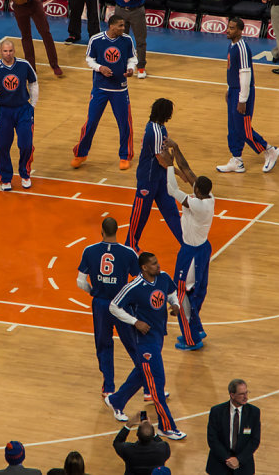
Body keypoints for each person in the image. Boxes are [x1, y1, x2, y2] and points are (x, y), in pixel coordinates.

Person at [106, 252, 185, 440]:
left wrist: (175, 305)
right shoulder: (133, 287)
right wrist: (135, 322)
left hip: (158, 336)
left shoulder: (163, 277)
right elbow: (113, 306)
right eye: (154, 264)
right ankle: (166, 426)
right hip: (145, 342)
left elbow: (172, 293)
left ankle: (116, 400)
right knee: (157, 383)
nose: (158, 266)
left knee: (143, 373)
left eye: (157, 262)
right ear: (144, 267)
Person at [77, 217, 139, 396]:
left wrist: (93, 291)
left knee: (104, 345)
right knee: (133, 345)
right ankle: (148, 386)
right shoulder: (128, 253)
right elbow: (137, 280)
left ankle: (109, 387)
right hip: (121, 304)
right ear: (117, 230)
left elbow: (80, 282)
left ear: (101, 231)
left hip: (101, 304)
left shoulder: (89, 251)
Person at [162, 141, 212, 350]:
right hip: (201, 248)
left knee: (181, 295)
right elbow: (188, 169)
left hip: (192, 253)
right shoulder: (208, 195)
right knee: (194, 292)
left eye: (194, 187)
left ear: (197, 191)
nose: (191, 185)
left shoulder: (198, 205)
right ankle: (196, 328)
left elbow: (171, 189)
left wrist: (169, 165)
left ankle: (192, 340)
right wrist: (176, 147)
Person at [216, 18, 279, 174]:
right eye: (228, 27)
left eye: (232, 28)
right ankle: (237, 160)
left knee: (242, 129)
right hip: (234, 90)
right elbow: (232, 71)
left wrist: (242, 99)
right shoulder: (231, 45)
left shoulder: (242, 48)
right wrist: (229, 89)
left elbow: (246, 74)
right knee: (232, 127)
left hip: (242, 93)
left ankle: (269, 150)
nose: (228, 30)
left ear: (240, 31)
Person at [72, 15, 137, 170]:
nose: (123, 28)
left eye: (123, 25)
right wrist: (100, 68)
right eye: (120, 26)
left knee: (125, 124)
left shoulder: (127, 40)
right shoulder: (96, 39)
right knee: (91, 122)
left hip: (120, 89)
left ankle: (125, 156)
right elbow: (89, 59)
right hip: (100, 88)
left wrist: (131, 69)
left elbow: (132, 59)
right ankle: (81, 153)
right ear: (112, 26)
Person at [125, 98, 184, 251]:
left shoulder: (159, 128)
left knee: (171, 211)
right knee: (140, 213)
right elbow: (161, 159)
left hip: (160, 177)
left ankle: (186, 243)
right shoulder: (156, 131)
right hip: (148, 179)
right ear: (167, 114)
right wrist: (179, 173)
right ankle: (130, 245)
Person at [0, 41, 38, 191]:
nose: (8, 53)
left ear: (14, 50)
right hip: (4, 111)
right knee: (2, 146)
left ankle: (25, 174)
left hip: (23, 110)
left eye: (10, 50)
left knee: (26, 145)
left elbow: (34, 82)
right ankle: (5, 178)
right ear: (0, 51)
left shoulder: (24, 65)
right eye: (5, 51)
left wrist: (33, 105)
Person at [206, 379, 261, 474]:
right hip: (220, 463)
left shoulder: (254, 412)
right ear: (232, 395)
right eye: (241, 394)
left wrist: (239, 459)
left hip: (243, 465)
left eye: (246, 393)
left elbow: (254, 440)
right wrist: (227, 458)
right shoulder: (217, 411)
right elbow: (212, 439)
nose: (246, 397)